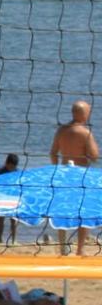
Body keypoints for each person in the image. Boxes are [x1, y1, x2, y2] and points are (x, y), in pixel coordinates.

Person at [50, 101, 99, 255]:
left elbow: (52, 153)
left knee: (62, 209)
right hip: (81, 175)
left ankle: (63, 247)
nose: (88, 115)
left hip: (64, 174)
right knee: (84, 212)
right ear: (81, 114)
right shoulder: (85, 133)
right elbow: (95, 156)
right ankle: (80, 249)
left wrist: (56, 168)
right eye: (87, 112)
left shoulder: (61, 131)